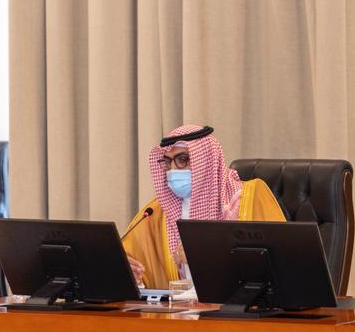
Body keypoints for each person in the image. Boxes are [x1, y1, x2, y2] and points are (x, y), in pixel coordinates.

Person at [123, 124, 286, 289]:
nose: (172, 170)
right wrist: (133, 280)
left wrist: (207, 257)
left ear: (206, 160)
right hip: (176, 305)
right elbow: (133, 268)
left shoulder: (249, 198)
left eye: (182, 160)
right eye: (167, 162)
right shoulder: (155, 213)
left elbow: (280, 264)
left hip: (237, 304)